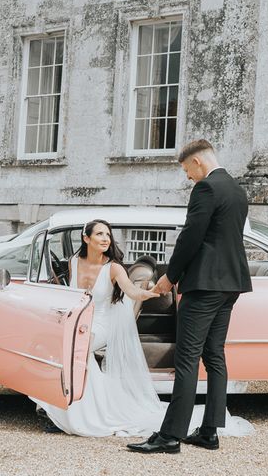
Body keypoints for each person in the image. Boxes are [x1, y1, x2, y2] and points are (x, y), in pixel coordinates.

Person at [34, 219, 253, 439]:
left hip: (102, 324)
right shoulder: (74, 262)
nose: (105, 239)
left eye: (108, 235)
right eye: (100, 234)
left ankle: (84, 413)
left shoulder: (113, 268)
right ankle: (70, 407)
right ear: (86, 238)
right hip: (80, 323)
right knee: (55, 346)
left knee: (77, 349)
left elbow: (131, 291)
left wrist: (149, 292)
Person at [127, 139, 253, 454]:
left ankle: (169, 436)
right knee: (214, 357)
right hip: (231, 284)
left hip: (204, 284)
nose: (188, 178)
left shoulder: (207, 189)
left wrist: (170, 277)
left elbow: (190, 238)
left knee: (186, 359)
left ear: (197, 162)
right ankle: (209, 432)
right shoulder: (237, 190)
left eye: (186, 170)